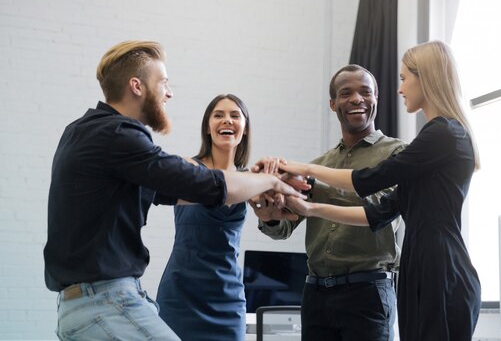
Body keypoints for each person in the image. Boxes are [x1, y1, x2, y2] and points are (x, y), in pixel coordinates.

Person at [43, 40, 303, 341]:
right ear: (137, 86)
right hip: (106, 302)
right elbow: (205, 185)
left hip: (90, 304)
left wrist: (263, 188)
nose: (169, 93)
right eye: (163, 83)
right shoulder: (119, 135)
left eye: (235, 115)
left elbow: (188, 190)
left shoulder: (83, 131)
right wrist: (272, 181)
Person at [277, 41, 482, 341]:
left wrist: (303, 169)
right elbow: (378, 212)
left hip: (439, 266)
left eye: (404, 78)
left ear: (425, 76)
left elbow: (369, 180)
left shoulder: (442, 134)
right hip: (419, 264)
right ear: (333, 102)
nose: (400, 89)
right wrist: (310, 209)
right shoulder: (433, 138)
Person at [252, 64, 406, 341]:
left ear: (376, 98)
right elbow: (283, 229)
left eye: (365, 92)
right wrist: (270, 215)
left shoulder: (397, 153)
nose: (357, 99)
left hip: (368, 292)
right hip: (315, 294)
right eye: (346, 93)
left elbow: (381, 208)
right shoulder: (318, 165)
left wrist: (314, 188)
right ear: (333, 104)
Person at [156, 94, 254, 341]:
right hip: (181, 295)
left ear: (244, 128)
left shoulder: (250, 180)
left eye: (235, 115)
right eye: (218, 115)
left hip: (227, 297)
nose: (227, 121)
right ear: (208, 128)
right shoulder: (186, 168)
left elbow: (273, 220)